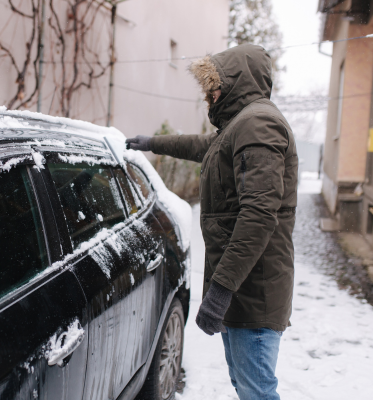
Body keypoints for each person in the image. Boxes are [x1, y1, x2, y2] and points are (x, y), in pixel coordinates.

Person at [126, 44, 298, 400]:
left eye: (214, 85)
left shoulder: (258, 124)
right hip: (243, 283)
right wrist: (151, 143)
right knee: (245, 385)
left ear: (237, 81)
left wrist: (220, 292)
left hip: (253, 288)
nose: (210, 95)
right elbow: (201, 145)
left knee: (257, 391)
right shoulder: (239, 126)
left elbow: (258, 216)